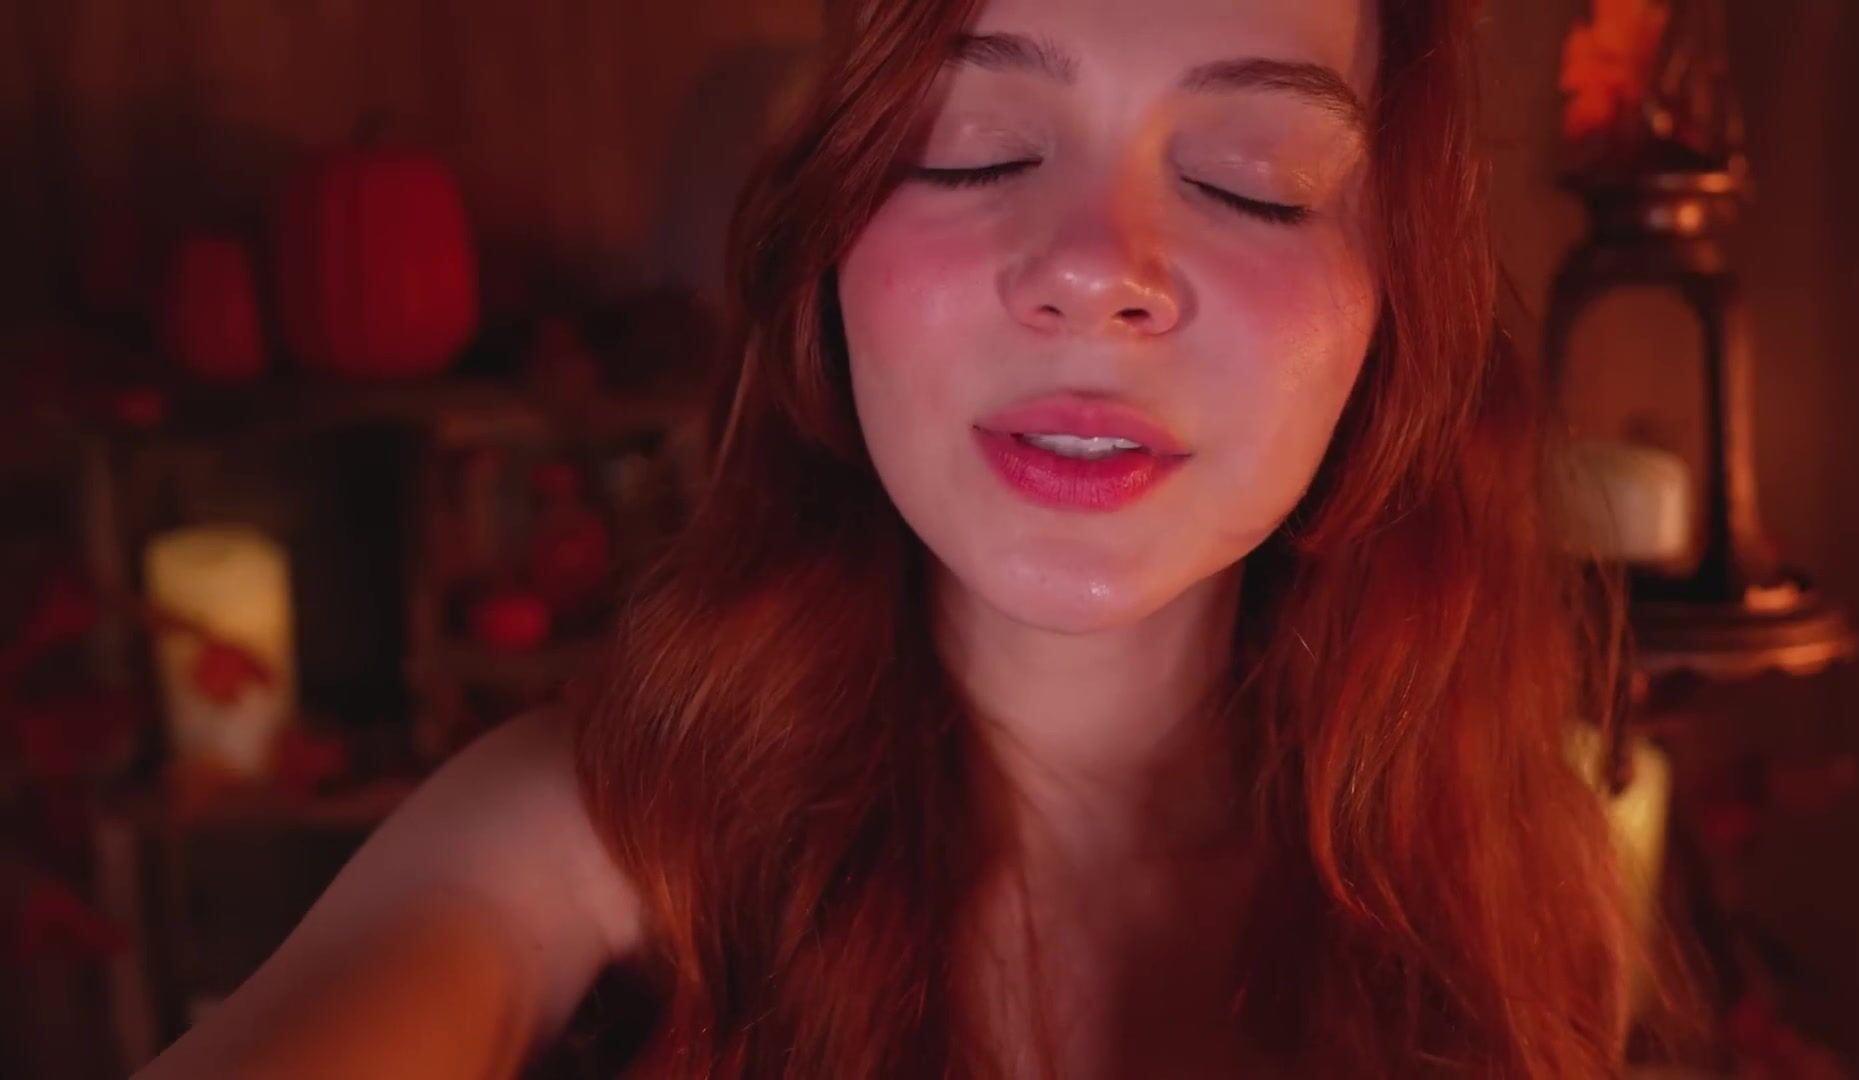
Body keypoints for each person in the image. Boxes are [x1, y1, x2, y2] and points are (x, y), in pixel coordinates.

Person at [136, 0, 1675, 1075]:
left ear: (1396, 306)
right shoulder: (584, 833)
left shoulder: (1509, 885)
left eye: (1250, 183)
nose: (1097, 270)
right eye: (973, 149)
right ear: (828, 249)